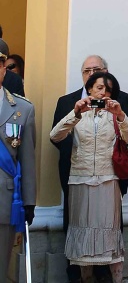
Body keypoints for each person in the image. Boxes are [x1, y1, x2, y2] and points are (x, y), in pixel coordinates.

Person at [52, 55, 128, 283]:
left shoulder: (118, 111)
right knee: (83, 240)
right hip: (80, 180)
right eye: (99, 88)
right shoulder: (76, 109)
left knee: (110, 236)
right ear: (88, 88)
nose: (103, 93)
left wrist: (120, 116)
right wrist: (75, 113)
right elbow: (55, 136)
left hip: (108, 181)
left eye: (108, 89)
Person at [0, 51, 36, 282]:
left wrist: (29, 201)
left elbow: (27, 159)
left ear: (4, 69)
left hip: (4, 201)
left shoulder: (23, 109)